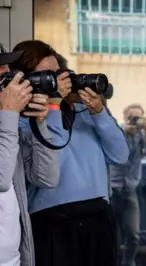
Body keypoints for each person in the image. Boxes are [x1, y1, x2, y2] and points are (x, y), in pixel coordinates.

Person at [11, 40, 129, 266]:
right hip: (53, 224)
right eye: (49, 75)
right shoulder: (22, 123)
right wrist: (52, 107)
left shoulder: (84, 112)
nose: (59, 82)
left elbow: (120, 155)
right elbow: (50, 164)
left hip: (98, 219)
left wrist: (99, 112)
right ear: (28, 81)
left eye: (59, 74)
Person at [0, 44, 60, 266]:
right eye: (0, 65)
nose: (7, 72)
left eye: (7, 64)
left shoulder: (7, 125)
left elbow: (46, 178)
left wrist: (39, 124)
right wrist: (8, 114)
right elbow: (1, 179)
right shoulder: (7, 123)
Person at [110, 104, 146, 266]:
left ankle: (128, 263)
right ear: (125, 118)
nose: (134, 121)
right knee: (112, 234)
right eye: (131, 118)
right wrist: (124, 133)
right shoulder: (116, 132)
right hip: (112, 189)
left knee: (134, 234)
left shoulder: (142, 135)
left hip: (130, 190)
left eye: (138, 118)